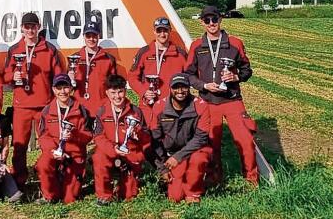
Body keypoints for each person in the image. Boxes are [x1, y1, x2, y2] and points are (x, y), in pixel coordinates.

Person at [184, 5, 257, 186]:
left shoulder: (235, 43)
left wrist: (236, 76)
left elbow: (247, 70)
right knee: (211, 143)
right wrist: (203, 85)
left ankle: (251, 180)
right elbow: (188, 74)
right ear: (202, 22)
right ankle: (215, 178)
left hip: (232, 99)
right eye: (207, 20)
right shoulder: (196, 46)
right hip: (208, 101)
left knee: (245, 141)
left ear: (220, 20)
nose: (211, 23)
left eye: (214, 19)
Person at [2, 12, 63, 188]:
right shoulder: (14, 50)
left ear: (39, 27)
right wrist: (13, 75)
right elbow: (6, 75)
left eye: (33, 26)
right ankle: (20, 181)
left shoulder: (50, 49)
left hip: (44, 105)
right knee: (19, 145)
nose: (30, 30)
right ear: (22, 28)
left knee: (48, 143)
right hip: (22, 106)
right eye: (27, 26)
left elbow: (58, 76)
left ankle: (48, 177)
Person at [149, 73, 212, 203]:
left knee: (200, 158)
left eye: (183, 87)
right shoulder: (159, 106)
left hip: (195, 150)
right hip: (172, 154)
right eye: (176, 87)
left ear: (189, 88)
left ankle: (193, 193)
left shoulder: (200, 105)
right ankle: (179, 179)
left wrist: (178, 157)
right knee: (175, 197)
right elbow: (155, 139)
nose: (180, 91)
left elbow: (201, 138)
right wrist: (163, 168)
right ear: (170, 89)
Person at [91, 74, 150, 205]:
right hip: (109, 150)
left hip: (130, 150)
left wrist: (138, 134)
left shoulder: (136, 111)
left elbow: (146, 136)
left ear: (125, 90)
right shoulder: (101, 111)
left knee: (129, 196)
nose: (117, 96)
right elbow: (98, 137)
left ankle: (122, 184)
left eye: (120, 92)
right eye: (113, 92)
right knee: (99, 158)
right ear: (107, 93)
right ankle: (104, 195)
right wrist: (113, 150)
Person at [34, 74, 93, 204]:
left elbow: (89, 136)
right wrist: (54, 151)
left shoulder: (81, 110)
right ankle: (49, 196)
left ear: (71, 89)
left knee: (70, 198)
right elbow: (43, 136)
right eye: (59, 88)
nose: (62, 92)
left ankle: (68, 186)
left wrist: (74, 135)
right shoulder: (47, 110)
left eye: (65, 87)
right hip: (54, 151)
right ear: (54, 90)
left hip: (75, 153)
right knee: (43, 164)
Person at [127, 16, 188, 120]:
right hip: (149, 105)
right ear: (154, 31)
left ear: (170, 31)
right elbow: (132, 77)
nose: (162, 34)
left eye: (165, 31)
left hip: (173, 106)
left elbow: (190, 77)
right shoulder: (144, 52)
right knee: (148, 135)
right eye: (159, 31)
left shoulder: (180, 54)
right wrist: (144, 92)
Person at [67, 20, 117, 111]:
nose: (91, 39)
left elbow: (113, 86)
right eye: (88, 36)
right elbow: (68, 88)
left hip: (101, 107)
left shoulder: (108, 59)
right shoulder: (74, 58)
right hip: (79, 107)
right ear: (83, 37)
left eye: (94, 36)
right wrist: (70, 79)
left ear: (99, 36)